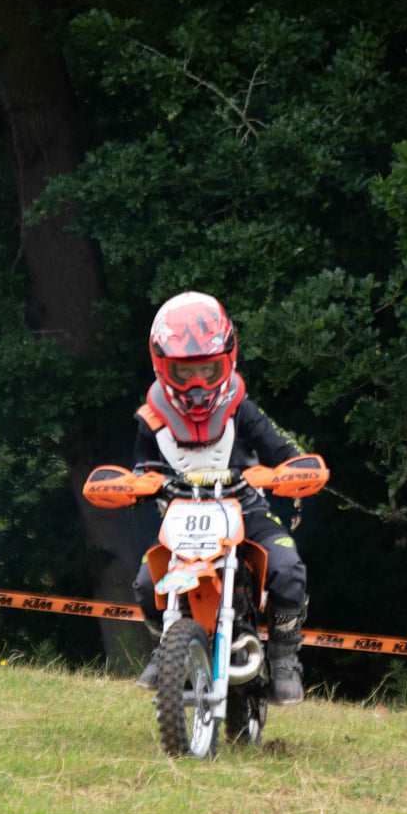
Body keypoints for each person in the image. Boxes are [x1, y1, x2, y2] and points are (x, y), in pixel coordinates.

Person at [129, 291, 316, 705]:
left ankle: (285, 658)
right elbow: (142, 469)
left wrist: (295, 470)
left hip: (246, 512)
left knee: (287, 567)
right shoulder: (151, 419)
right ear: (162, 366)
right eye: (182, 372)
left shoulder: (241, 409)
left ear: (227, 360)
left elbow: (284, 452)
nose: (195, 384)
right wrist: (136, 484)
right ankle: (167, 646)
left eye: (207, 370)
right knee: (146, 582)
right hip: (181, 521)